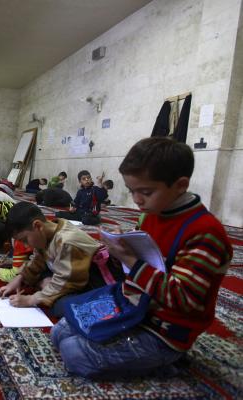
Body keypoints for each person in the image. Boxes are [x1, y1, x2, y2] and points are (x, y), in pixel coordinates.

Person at [51, 137, 233, 379]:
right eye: (131, 191)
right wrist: (119, 249)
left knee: (73, 353)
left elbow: (183, 299)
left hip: (165, 329)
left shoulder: (204, 232)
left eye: (146, 192)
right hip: (134, 306)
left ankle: (167, 362)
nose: (136, 200)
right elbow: (135, 269)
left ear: (180, 185)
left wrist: (130, 259)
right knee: (58, 333)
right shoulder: (150, 214)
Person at [0, 202, 118, 317]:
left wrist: (31, 300)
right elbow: (37, 260)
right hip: (68, 270)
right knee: (37, 272)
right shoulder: (46, 232)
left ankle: (49, 286)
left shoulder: (67, 241)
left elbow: (67, 281)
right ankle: (47, 284)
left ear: (38, 226)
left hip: (92, 281)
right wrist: (20, 278)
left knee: (62, 307)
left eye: (25, 240)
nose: (25, 245)